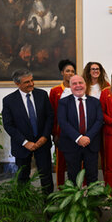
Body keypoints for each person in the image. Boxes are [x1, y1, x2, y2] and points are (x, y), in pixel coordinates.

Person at [2, 69, 54, 194]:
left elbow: (50, 117)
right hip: (22, 145)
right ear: (17, 84)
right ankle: (24, 206)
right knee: (22, 177)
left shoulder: (42, 95)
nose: (31, 84)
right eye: (26, 82)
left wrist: (45, 137)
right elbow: (8, 125)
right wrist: (25, 142)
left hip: (43, 143)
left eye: (32, 80)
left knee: (46, 175)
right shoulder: (9, 100)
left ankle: (49, 206)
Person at [57, 76, 103, 185]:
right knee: (73, 176)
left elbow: (99, 120)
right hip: (71, 144)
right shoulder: (63, 102)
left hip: (91, 144)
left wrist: (88, 137)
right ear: (70, 86)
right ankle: (75, 201)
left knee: (92, 175)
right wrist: (79, 138)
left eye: (80, 83)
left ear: (85, 85)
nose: (78, 86)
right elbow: (63, 122)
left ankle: (92, 200)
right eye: (74, 83)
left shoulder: (95, 102)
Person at [49, 59, 76, 187]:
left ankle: (77, 188)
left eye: (72, 71)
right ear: (62, 73)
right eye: (67, 71)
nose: (70, 73)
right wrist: (54, 133)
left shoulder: (79, 88)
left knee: (76, 162)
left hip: (77, 133)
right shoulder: (55, 91)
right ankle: (60, 188)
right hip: (61, 132)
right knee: (60, 163)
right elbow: (52, 114)